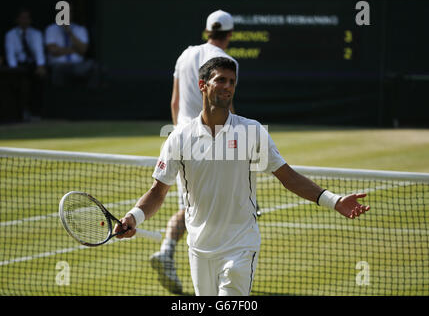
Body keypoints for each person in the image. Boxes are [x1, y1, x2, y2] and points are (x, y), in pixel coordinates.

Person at [114, 57, 370, 296]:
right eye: (221, 80)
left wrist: (333, 200)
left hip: (240, 245)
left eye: (232, 82)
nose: (228, 87)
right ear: (203, 85)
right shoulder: (179, 138)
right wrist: (133, 217)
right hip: (199, 248)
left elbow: (288, 177)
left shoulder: (251, 131)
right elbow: (158, 192)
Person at [149, 10, 238, 294]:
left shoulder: (185, 55)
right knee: (216, 209)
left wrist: (178, 138)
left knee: (191, 206)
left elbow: (175, 102)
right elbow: (225, 107)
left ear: (207, 30)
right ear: (230, 34)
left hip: (181, 138)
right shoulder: (228, 63)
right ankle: (218, 274)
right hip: (211, 139)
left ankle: (166, 251)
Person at [4, 8, 47, 121]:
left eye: (27, 18)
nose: (25, 20)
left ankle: (36, 113)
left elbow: (39, 51)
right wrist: (14, 71)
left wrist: (40, 66)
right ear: (17, 20)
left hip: (32, 65)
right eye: (22, 18)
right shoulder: (10, 35)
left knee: (39, 79)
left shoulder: (36, 34)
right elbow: (10, 54)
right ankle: (20, 113)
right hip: (18, 66)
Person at [44, 6, 98, 87]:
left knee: (94, 66)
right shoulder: (51, 29)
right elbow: (53, 51)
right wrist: (74, 50)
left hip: (78, 65)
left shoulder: (80, 29)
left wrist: (69, 32)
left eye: (68, 13)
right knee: (58, 69)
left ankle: (90, 96)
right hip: (59, 65)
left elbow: (83, 50)